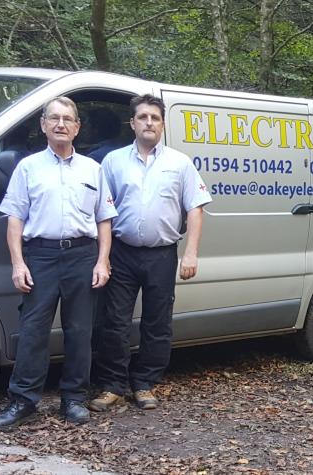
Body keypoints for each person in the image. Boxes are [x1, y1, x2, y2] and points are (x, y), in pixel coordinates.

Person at [0, 96, 117, 431]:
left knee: (80, 332)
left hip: (82, 256)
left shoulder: (93, 169)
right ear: (43, 125)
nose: (61, 124)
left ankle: (73, 399)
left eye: (68, 119)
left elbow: (104, 219)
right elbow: (15, 220)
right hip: (41, 256)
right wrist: (18, 264)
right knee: (33, 331)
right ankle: (23, 400)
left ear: (77, 128)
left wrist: (102, 261)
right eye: (54, 118)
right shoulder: (28, 168)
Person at [90, 94, 212, 411]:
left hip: (162, 254)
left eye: (155, 118)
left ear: (162, 123)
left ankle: (144, 383)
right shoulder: (113, 162)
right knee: (114, 322)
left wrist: (191, 253)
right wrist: (102, 256)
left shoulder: (179, 163)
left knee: (157, 323)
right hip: (122, 253)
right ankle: (112, 385)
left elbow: (196, 209)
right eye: (143, 117)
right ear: (132, 123)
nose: (149, 123)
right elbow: (102, 211)